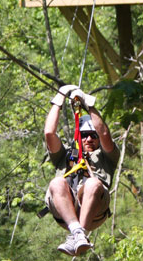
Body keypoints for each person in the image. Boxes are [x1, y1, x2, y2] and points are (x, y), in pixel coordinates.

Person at [44, 85, 120, 256]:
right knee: (56, 182)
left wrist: (89, 105)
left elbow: (105, 134)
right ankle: (77, 232)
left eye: (93, 136)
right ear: (78, 135)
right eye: (84, 134)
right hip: (66, 211)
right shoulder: (65, 155)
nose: (89, 139)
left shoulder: (107, 157)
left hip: (95, 210)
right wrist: (59, 99)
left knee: (93, 183)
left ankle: (80, 234)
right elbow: (49, 133)